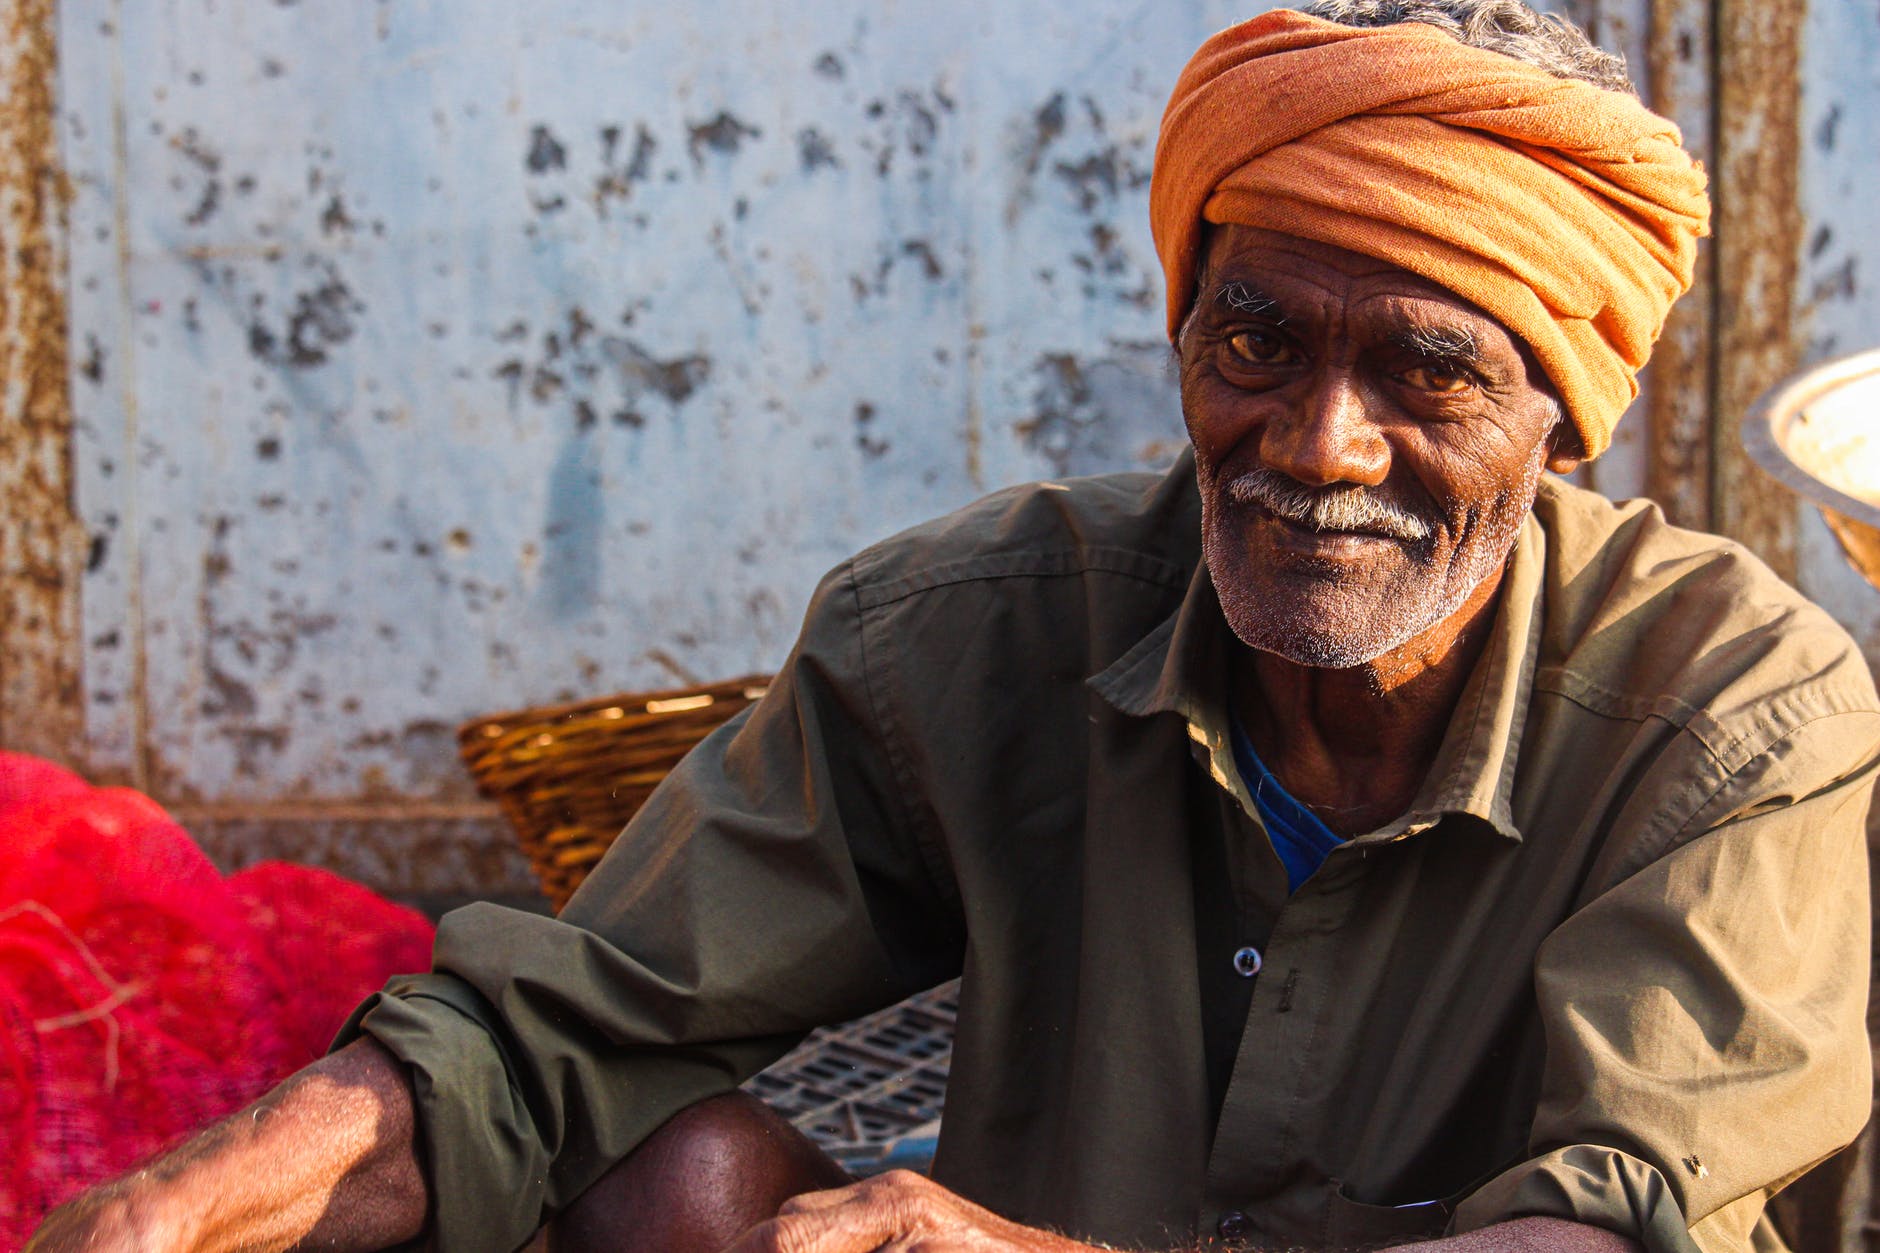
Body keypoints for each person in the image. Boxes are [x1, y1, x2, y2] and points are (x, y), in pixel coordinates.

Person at [31, 3, 1880, 1252]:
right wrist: (156, 1214)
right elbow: (544, 1044)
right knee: (670, 1174)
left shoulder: (1735, 711)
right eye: (1255, 343)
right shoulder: (982, 628)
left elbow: (1604, 1231)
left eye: (1428, 374)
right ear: (1184, 327)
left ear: (1567, 413)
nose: (1318, 444)